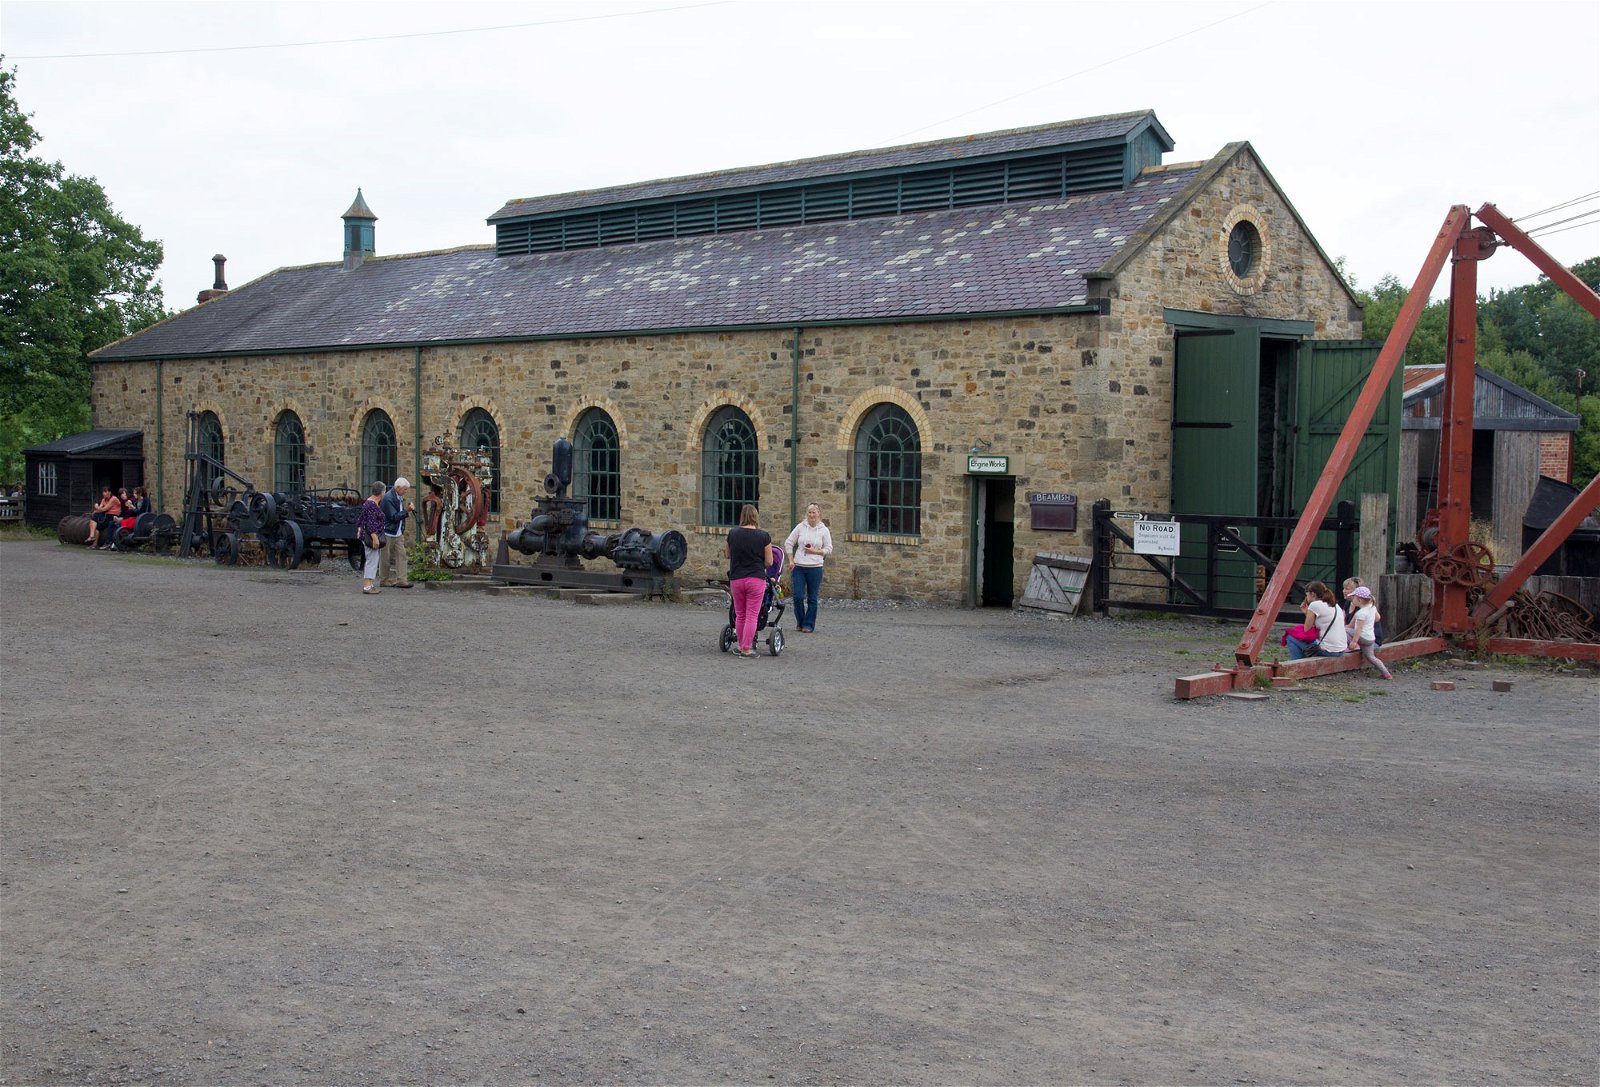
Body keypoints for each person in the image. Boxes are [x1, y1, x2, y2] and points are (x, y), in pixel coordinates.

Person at [726, 504, 778, 659]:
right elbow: (769, 561)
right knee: (752, 615)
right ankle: (746, 649)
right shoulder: (763, 536)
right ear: (756, 516)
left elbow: (728, 554)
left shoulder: (732, 534)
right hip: (755, 578)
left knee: (740, 614)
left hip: (736, 577)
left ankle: (741, 645)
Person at [783, 502, 833, 633]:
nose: (812, 515)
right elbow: (788, 542)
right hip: (799, 567)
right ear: (807, 514)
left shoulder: (824, 530)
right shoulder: (800, 527)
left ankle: (808, 624)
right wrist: (791, 560)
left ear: (819, 514)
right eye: (809, 512)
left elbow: (829, 548)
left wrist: (816, 552)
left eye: (814, 512)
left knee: (812, 597)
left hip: (815, 568)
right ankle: (800, 621)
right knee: (798, 596)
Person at [1285, 580, 1348, 660]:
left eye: (1307, 595)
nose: (1306, 597)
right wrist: (1307, 613)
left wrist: (1307, 613)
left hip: (1328, 650)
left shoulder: (1314, 605)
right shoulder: (1334, 604)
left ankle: (1296, 663)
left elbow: (1307, 630)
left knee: (1290, 637)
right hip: (1341, 649)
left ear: (1313, 594)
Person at [1346, 585, 1393, 679]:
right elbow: (1378, 618)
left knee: (1344, 630)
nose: (1352, 599)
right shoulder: (1372, 607)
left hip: (1362, 638)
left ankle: (1352, 646)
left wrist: (1354, 641)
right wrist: (1369, 621)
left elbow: (1358, 629)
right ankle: (1386, 673)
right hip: (1371, 638)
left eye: (1353, 597)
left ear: (1359, 600)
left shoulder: (1361, 613)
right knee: (1371, 657)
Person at [379, 477, 416, 588]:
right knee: (385, 557)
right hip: (388, 531)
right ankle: (384, 579)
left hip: (397, 531)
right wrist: (407, 511)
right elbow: (394, 517)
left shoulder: (398, 497)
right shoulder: (388, 498)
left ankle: (402, 579)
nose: (405, 491)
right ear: (398, 487)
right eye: (404, 489)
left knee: (402, 555)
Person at [356, 481, 387, 594]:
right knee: (372, 560)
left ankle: (370, 584)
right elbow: (371, 523)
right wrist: (375, 538)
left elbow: (361, 520)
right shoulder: (372, 505)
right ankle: (367, 586)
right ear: (382, 492)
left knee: (372, 559)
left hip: (367, 535)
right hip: (371, 536)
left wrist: (359, 529)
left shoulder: (368, 503)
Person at [1341, 576, 1385, 645]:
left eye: (1347, 589)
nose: (1343, 591)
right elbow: (1342, 620)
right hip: (1356, 637)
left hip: (1370, 641)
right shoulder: (1348, 602)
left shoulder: (1362, 606)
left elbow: (1351, 626)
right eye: (1344, 588)